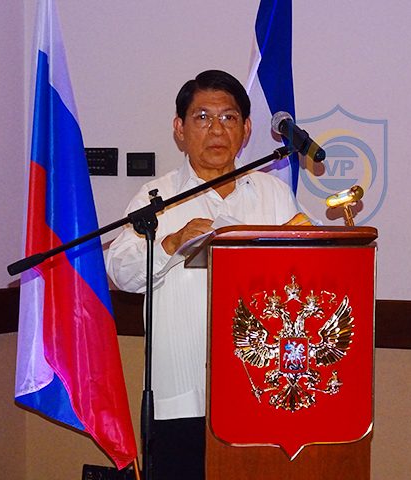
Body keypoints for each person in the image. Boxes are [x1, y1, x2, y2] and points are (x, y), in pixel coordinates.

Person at [105, 70, 308, 479]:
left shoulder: (272, 194)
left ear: (246, 129)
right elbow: (121, 272)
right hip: (182, 397)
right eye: (202, 117)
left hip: (261, 389)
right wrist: (171, 242)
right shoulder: (156, 198)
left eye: (228, 117)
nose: (217, 129)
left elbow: (307, 269)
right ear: (179, 129)